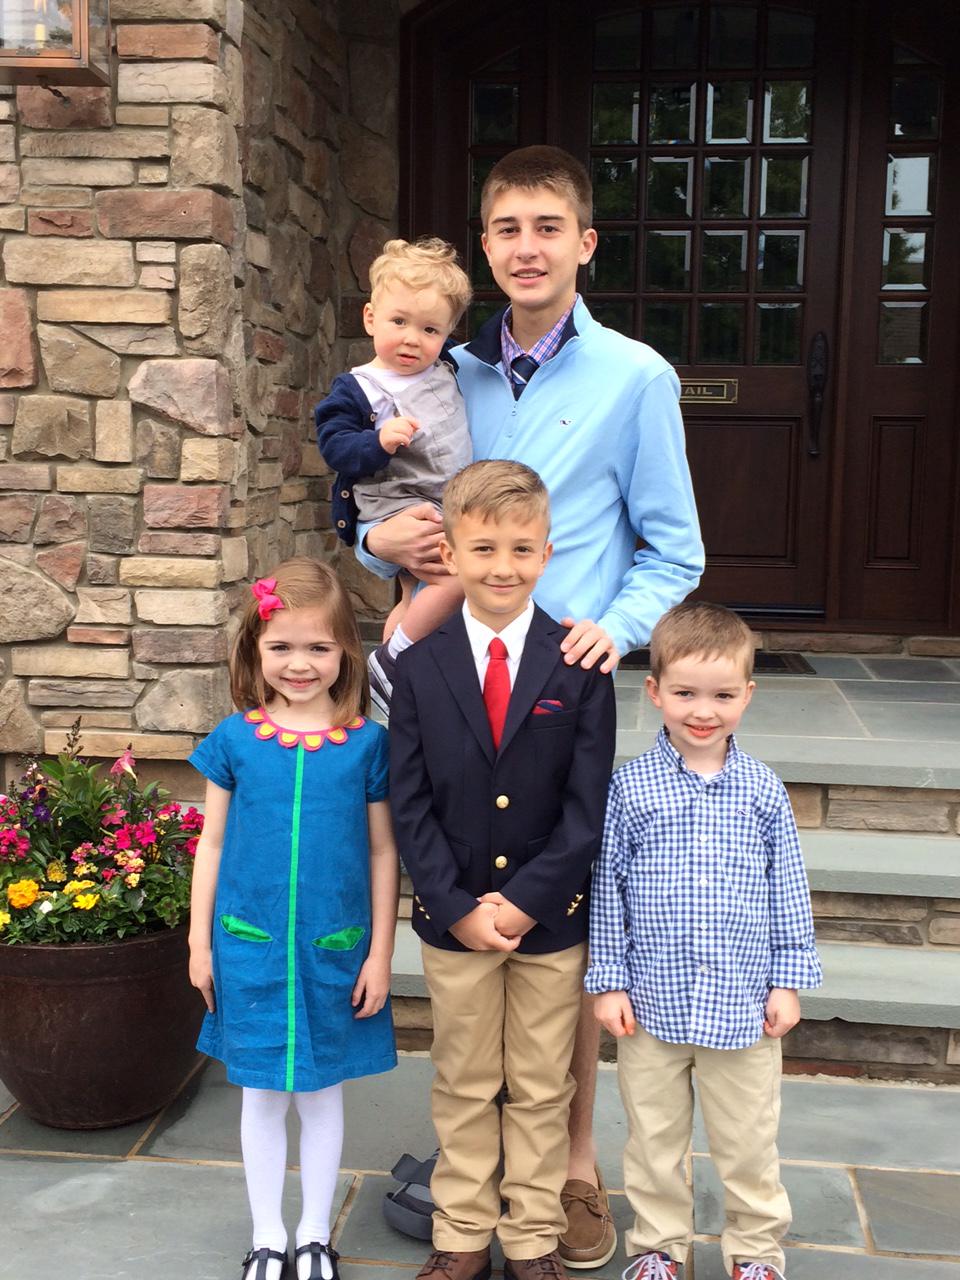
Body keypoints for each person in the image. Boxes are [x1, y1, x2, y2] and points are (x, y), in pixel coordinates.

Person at [365, 146, 704, 1267]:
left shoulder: (636, 378)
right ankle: (475, 1188)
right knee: (466, 918)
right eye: (507, 227)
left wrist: (621, 624)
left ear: (585, 243)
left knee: (559, 939)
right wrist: (371, 540)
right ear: (485, 244)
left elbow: (675, 546)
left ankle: (571, 1169)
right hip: (452, 678)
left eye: (548, 226)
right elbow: (389, 499)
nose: (527, 246)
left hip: (563, 690)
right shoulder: (442, 369)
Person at [390, 460, 617, 1280]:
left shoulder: (580, 666)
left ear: (547, 554)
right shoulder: (419, 668)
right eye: (483, 548)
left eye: (522, 549)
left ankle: (531, 1239)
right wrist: (455, 906)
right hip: (453, 920)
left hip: (548, 921)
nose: (502, 566)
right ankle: (461, 1235)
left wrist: (524, 902)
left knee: (541, 1085)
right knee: (463, 1079)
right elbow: (409, 801)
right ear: (450, 554)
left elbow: (587, 808)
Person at [587, 602, 823, 1280]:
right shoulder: (630, 789)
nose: (703, 711)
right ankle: (659, 1247)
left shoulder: (763, 791)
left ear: (747, 695)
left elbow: (788, 890)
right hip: (652, 1004)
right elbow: (607, 891)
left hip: (741, 1005)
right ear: (655, 691)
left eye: (722, 695)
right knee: (653, 1141)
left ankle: (755, 1251)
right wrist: (609, 981)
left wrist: (787, 981)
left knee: (748, 1142)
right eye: (686, 692)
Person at [188, 557, 400, 1280]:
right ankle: (267, 1235)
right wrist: (199, 942)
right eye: (281, 646)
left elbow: (382, 851)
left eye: (318, 647)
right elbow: (212, 844)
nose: (299, 663)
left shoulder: (367, 745)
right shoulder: (235, 740)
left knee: (321, 1092)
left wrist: (379, 953)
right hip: (248, 947)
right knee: (260, 1094)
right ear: (256, 650)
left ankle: (314, 1233)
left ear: (346, 653)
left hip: (334, 950)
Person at [314, 237, 473, 713]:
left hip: (440, 498)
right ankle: (391, 661)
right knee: (457, 577)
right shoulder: (361, 387)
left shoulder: (443, 366)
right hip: (397, 502)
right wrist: (378, 441)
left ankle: (394, 676)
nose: (412, 339)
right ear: (370, 318)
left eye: (430, 329)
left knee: (412, 593)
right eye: (398, 322)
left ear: (447, 334)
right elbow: (334, 446)